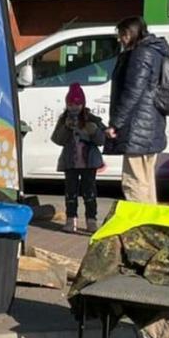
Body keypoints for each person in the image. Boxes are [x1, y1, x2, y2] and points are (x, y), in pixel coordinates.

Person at [105, 15, 169, 204]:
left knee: (134, 181)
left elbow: (132, 91)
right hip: (150, 125)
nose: (120, 39)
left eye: (122, 34)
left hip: (137, 127)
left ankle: (140, 224)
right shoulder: (156, 52)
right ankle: (150, 223)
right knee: (147, 181)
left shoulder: (140, 54)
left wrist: (116, 124)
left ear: (131, 33)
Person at [51, 83, 105, 233]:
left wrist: (94, 131)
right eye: (70, 104)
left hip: (89, 163)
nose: (74, 107)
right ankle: (71, 220)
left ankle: (91, 221)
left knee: (90, 192)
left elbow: (101, 141)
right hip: (70, 163)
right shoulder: (64, 119)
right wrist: (66, 128)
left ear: (83, 104)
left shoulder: (92, 119)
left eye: (77, 104)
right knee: (70, 192)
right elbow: (57, 139)